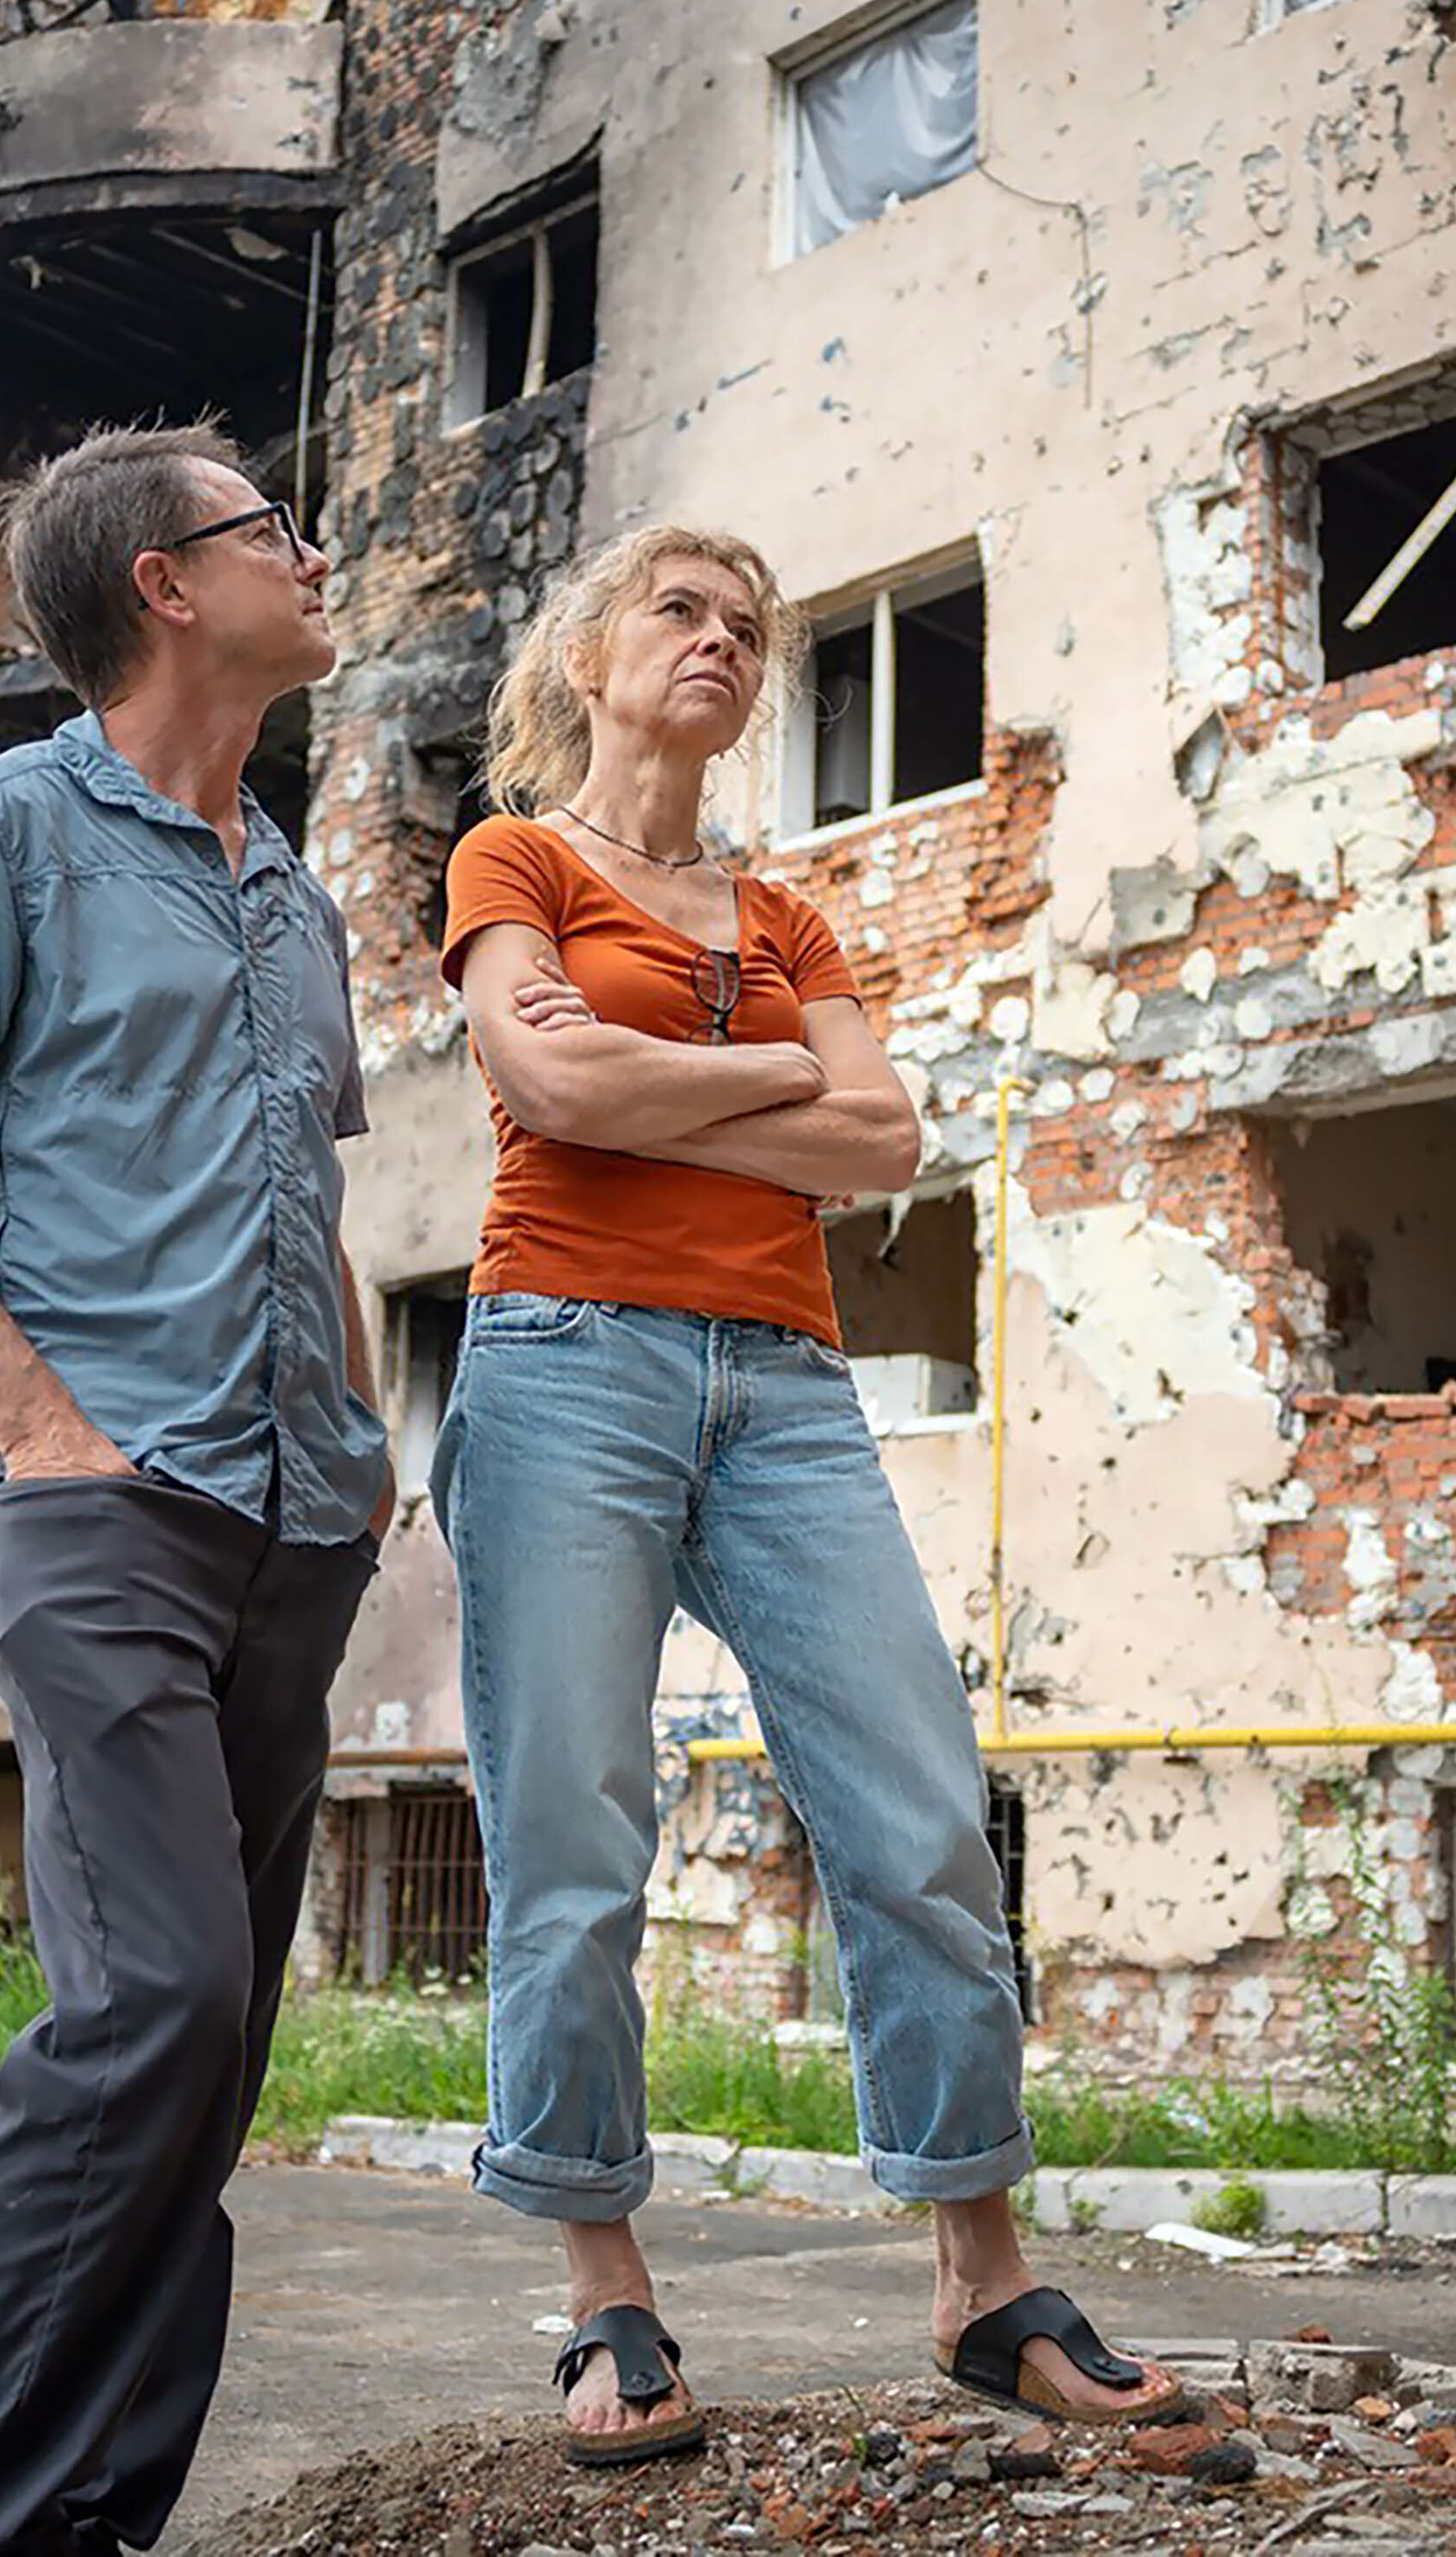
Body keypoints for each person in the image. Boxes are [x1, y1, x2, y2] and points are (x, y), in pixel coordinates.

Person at [431, 524, 1185, 2465]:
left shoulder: (785, 914)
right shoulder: (511, 861)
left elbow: (886, 1135)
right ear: (586, 655)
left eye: (746, 629)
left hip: (785, 1383)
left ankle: (983, 2280)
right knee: (573, 1847)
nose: (720, 642)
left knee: (923, 1817)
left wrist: (653, 1080)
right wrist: (761, 1099)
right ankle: (609, 2300)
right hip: (560, 1367)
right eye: (678, 611)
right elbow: (552, 1090)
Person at [0, 422, 393, 2557]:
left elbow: (299, 1190)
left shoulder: (290, 887)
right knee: (151, 1996)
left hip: (289, 1512)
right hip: (97, 1500)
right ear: (164, 583)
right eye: (273, 527)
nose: (316, 552)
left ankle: (95, 2520)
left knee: (212, 2050)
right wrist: (44, 1435)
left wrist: (356, 1436)